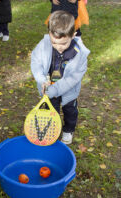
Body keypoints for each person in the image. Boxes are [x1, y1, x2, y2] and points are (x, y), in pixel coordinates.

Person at [31, 11, 90, 144]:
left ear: (73, 35)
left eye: (63, 44)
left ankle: (68, 130)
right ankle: (53, 129)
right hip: (49, 89)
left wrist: (53, 90)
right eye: (54, 43)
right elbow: (36, 62)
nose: (58, 47)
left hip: (69, 91)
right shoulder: (44, 45)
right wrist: (41, 79)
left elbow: (72, 80)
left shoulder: (79, 54)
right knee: (51, 111)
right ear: (49, 34)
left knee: (70, 110)